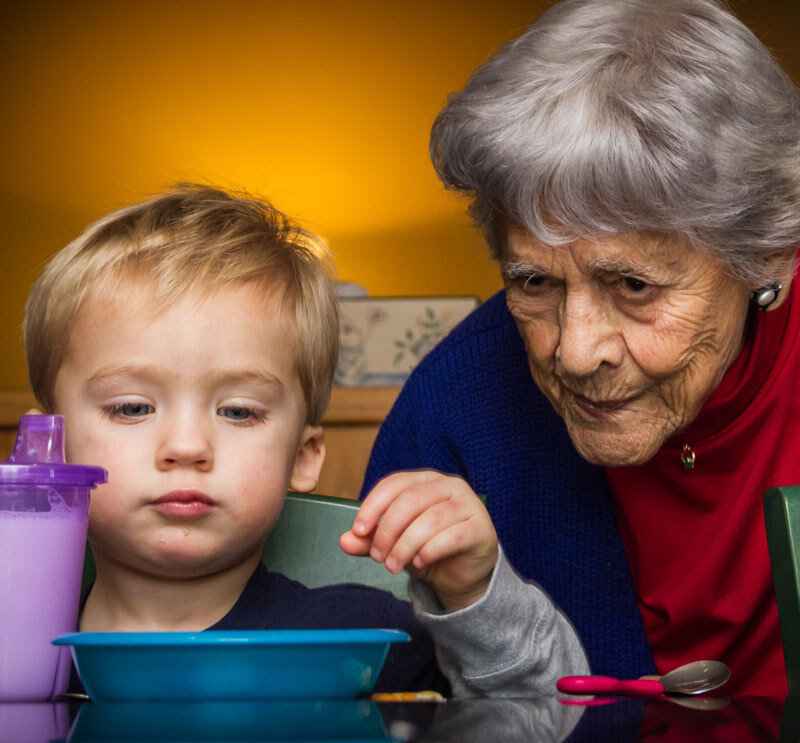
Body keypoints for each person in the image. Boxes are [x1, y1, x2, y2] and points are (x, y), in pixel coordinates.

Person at [362, 0, 800, 699]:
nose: (574, 350)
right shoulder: (456, 404)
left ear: (767, 256)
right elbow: (369, 690)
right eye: (534, 280)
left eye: (632, 283)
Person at [22, 183, 588, 698]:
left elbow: (558, 710)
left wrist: (475, 597)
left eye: (239, 412)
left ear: (303, 456)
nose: (188, 445)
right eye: (132, 407)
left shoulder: (363, 642)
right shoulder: (15, 646)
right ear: (46, 450)